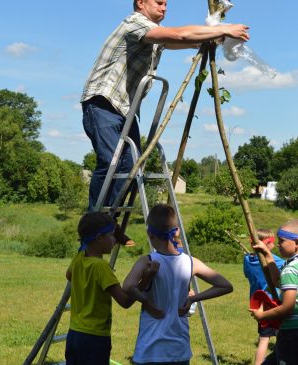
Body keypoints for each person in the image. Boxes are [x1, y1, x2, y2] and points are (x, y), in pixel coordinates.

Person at [81, 0, 250, 211]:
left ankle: (109, 220)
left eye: (166, 4)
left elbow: (183, 41)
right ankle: (95, 222)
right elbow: (180, 35)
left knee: (132, 165)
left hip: (125, 109)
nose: (164, 8)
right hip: (103, 103)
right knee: (110, 162)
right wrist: (224, 28)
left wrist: (215, 36)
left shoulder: (154, 33)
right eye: (159, 2)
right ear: (141, 3)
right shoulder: (134, 23)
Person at [123, 203, 234, 364]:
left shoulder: (147, 261)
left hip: (150, 349)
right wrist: (193, 299)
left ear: (150, 234)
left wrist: (146, 302)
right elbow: (225, 286)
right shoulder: (191, 262)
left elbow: (127, 286)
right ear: (177, 232)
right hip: (179, 349)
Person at [65, 211, 163, 365]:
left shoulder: (79, 258)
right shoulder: (101, 266)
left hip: (74, 334)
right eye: (111, 235)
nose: (115, 240)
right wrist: (147, 278)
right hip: (95, 338)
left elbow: (69, 275)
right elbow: (125, 301)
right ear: (98, 238)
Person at [249, 220, 298, 365]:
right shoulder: (292, 265)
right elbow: (279, 282)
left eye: (282, 241)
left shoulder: (290, 269)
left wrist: (262, 316)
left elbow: (287, 308)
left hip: (292, 333)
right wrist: (267, 255)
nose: (278, 244)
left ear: (296, 243)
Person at [243, 229, 285, 365]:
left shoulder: (247, 259)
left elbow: (246, 274)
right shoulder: (276, 261)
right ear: (266, 243)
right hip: (272, 303)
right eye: (272, 242)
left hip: (257, 304)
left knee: (263, 338)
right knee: (280, 336)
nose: (276, 245)